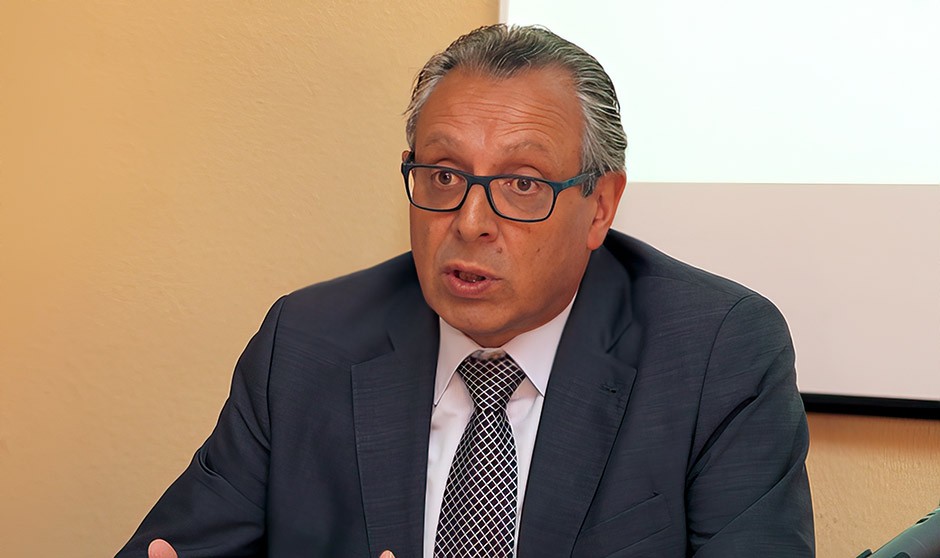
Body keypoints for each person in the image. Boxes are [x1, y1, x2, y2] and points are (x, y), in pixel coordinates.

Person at [118, 24, 814, 557]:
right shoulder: (307, 344)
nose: (470, 221)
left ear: (600, 205)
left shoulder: (715, 355)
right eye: (445, 176)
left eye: (522, 184)